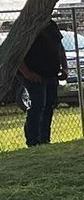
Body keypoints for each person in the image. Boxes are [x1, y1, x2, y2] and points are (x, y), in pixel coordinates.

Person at [17, 16, 63, 147]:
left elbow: (59, 47)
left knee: (49, 105)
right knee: (37, 105)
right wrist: (26, 72)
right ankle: (32, 141)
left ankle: (45, 139)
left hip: (51, 73)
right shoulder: (27, 26)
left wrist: (64, 67)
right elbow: (18, 53)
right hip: (34, 74)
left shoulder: (51, 24)